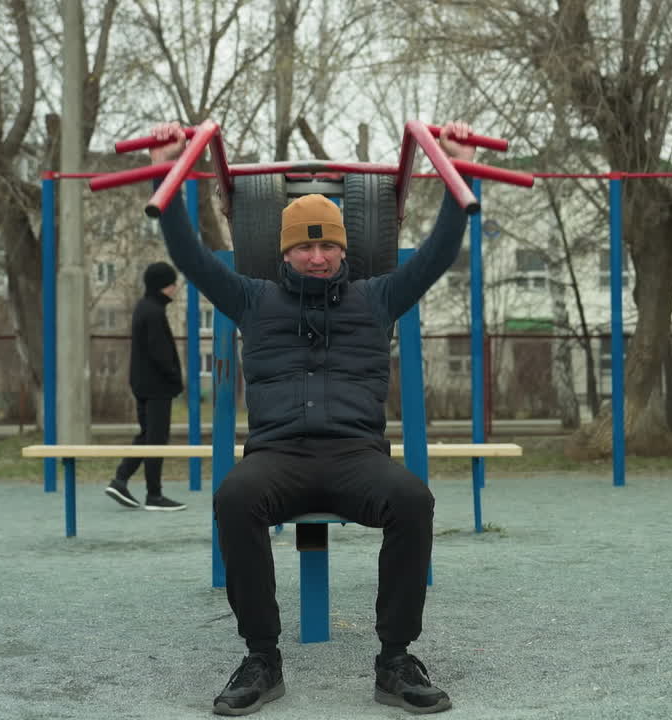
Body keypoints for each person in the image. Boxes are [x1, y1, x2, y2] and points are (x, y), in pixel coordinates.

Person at [146, 120, 474, 715]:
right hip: (278, 457)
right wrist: (173, 170)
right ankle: (261, 659)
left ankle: (395, 658)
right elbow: (189, 256)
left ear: (344, 249)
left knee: (412, 500)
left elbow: (438, 253)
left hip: (356, 457)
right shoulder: (252, 299)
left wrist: (458, 173)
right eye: (305, 246)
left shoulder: (377, 300)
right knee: (233, 497)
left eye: (328, 246)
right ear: (285, 251)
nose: (318, 257)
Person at [105, 261, 188, 512]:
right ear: (163, 285)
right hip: (156, 387)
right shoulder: (153, 312)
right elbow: (160, 353)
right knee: (156, 439)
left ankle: (120, 480)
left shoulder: (145, 308)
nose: (175, 288)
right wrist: (175, 378)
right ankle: (154, 494)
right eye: (172, 283)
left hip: (144, 385)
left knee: (147, 436)